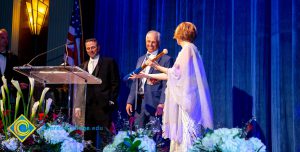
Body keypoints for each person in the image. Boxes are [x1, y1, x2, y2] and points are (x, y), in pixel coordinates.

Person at [130, 22, 213, 152]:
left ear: (181, 34)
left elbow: (174, 73)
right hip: (186, 100)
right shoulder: (191, 49)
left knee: (186, 138)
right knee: (182, 137)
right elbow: (172, 75)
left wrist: (156, 66)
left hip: (186, 102)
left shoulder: (188, 49)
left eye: (176, 32)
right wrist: (145, 76)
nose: (175, 36)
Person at [74, 38, 120, 149]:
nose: (91, 50)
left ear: (98, 47)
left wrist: (111, 100)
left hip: (104, 107)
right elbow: (80, 88)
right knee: (88, 139)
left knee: (106, 138)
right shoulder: (82, 66)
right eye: (88, 48)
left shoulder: (109, 62)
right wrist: (78, 106)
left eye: (93, 47)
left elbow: (115, 83)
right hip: (87, 108)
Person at [126, 30, 173, 128]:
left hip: (155, 104)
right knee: (139, 135)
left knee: (155, 135)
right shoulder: (140, 59)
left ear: (158, 43)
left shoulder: (166, 59)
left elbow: (167, 84)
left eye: (153, 42)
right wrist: (130, 101)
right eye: (148, 41)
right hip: (139, 104)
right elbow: (135, 81)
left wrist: (162, 103)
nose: (150, 44)